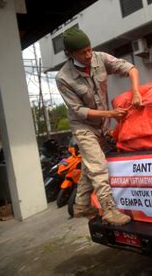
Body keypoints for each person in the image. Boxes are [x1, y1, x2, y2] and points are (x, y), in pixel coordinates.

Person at [56, 27, 142, 225]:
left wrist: (135, 91)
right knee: (98, 166)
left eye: (89, 49)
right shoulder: (63, 77)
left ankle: (81, 205)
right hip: (83, 126)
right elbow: (78, 110)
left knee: (90, 164)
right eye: (81, 52)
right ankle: (109, 210)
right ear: (70, 55)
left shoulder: (100, 58)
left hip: (102, 124)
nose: (88, 55)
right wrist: (110, 114)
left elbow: (131, 68)